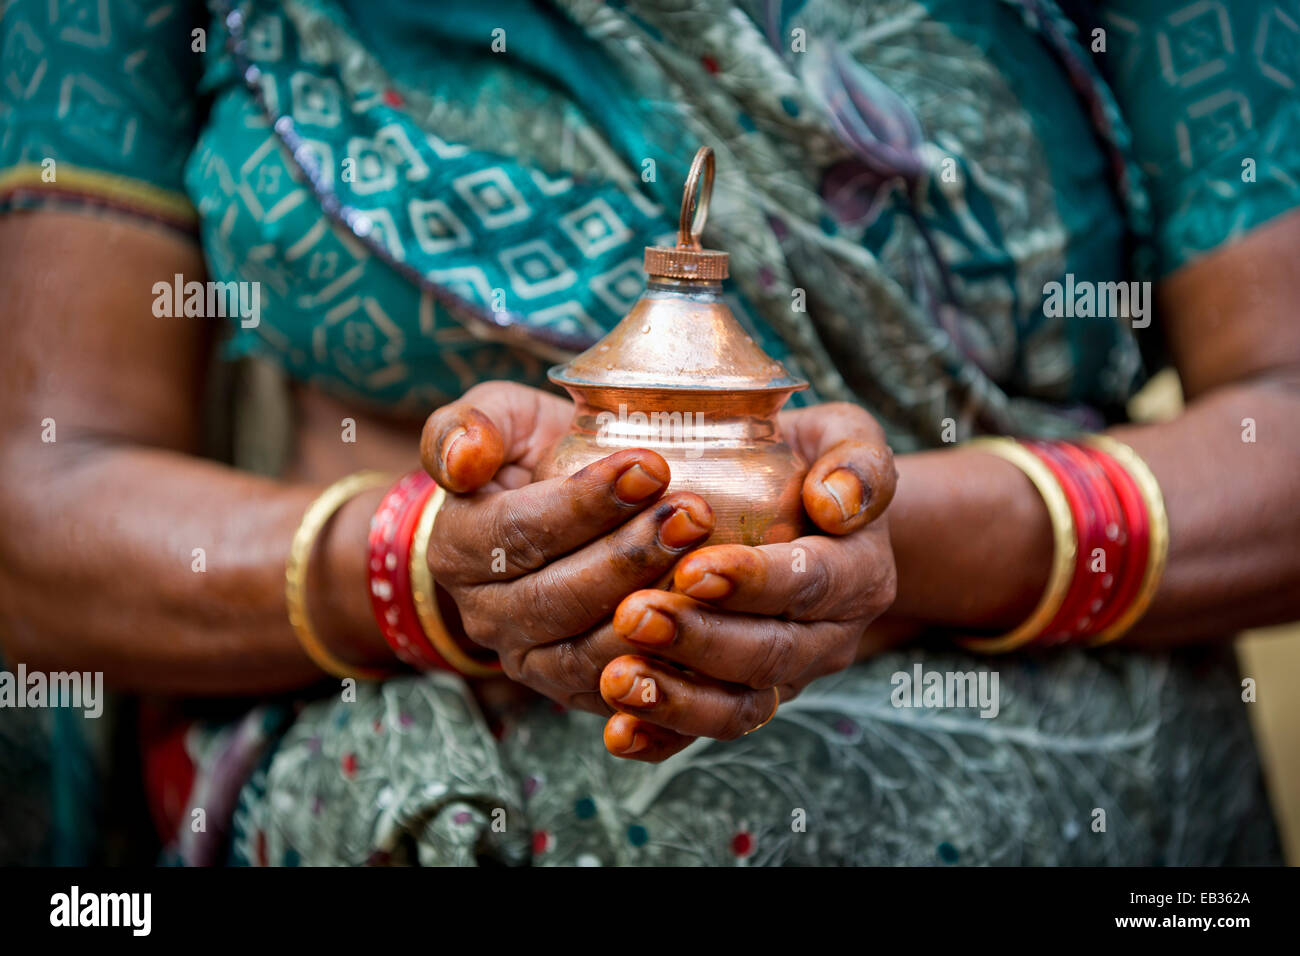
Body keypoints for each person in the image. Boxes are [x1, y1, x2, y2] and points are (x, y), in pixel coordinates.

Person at [0, 0, 1296, 865]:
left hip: (1078, 782)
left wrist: (892, 539)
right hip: (382, 762)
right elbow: (38, 502)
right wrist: (437, 572)